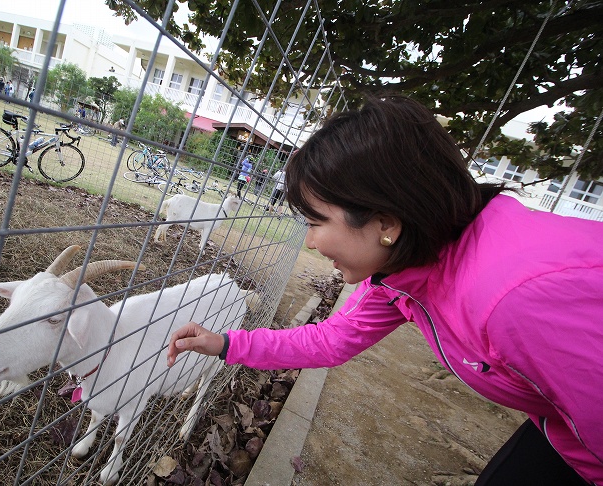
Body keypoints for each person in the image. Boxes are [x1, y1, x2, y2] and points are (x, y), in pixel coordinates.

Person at [167, 95, 603, 485]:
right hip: (560, 429)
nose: (310, 242)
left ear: (386, 223)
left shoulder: (517, 300)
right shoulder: (407, 270)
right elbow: (333, 338)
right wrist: (224, 342)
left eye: (317, 222)